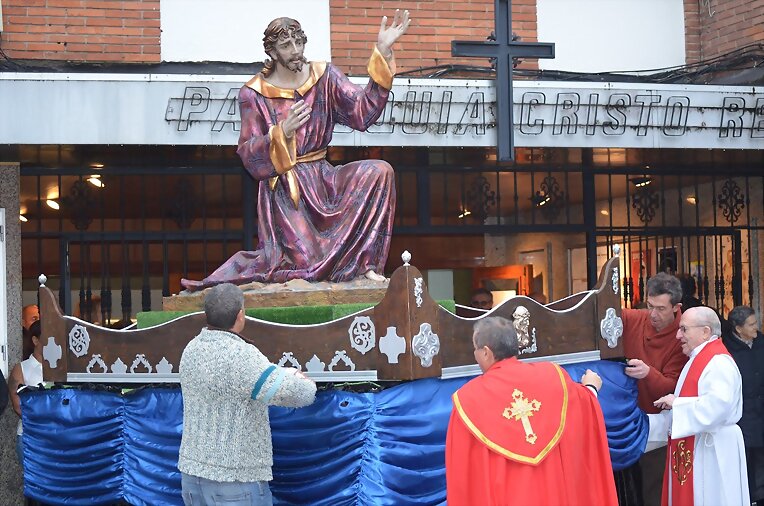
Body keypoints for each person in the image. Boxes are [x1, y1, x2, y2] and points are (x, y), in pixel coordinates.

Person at [181, 12, 411, 291]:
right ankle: (316, 271)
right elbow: (249, 156)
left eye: (298, 42)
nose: (295, 51)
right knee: (306, 265)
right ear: (272, 51)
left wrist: (382, 52)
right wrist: (282, 133)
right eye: (286, 45)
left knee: (380, 171)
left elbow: (362, 113)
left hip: (324, 179)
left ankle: (364, 265)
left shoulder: (324, 76)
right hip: (287, 192)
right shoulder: (254, 94)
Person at [445, 316, 618, 505]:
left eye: (475, 349)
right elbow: (583, 409)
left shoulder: (468, 399)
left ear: (486, 352)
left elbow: (464, 477)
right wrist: (591, 388)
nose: (475, 354)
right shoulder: (553, 375)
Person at [178, 283, 317, 505]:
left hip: (192, 476)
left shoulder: (191, 349)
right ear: (240, 315)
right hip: (234, 482)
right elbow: (300, 394)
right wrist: (300, 378)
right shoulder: (241, 356)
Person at [648, 306, 749, 505]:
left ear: (705, 331)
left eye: (684, 329)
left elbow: (717, 408)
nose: (678, 335)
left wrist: (676, 403)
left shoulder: (718, 362)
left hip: (713, 451)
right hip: (700, 447)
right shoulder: (697, 359)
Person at [619, 272, 688, 505]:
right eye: (650, 306)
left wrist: (648, 373)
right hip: (625, 421)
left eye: (660, 308)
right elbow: (603, 313)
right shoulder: (638, 319)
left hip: (658, 427)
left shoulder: (684, 335)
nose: (653, 315)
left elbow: (674, 387)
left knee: (654, 489)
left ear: (676, 307)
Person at [723, 305, 763, 504]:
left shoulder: (762, 343)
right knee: (745, 462)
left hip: (761, 412)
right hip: (743, 417)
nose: (757, 327)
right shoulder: (726, 350)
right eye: (752, 324)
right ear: (738, 328)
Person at [9, 320, 44, 464]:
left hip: (59, 437)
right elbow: (17, 405)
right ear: (35, 340)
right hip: (31, 436)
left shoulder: (64, 369)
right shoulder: (22, 368)